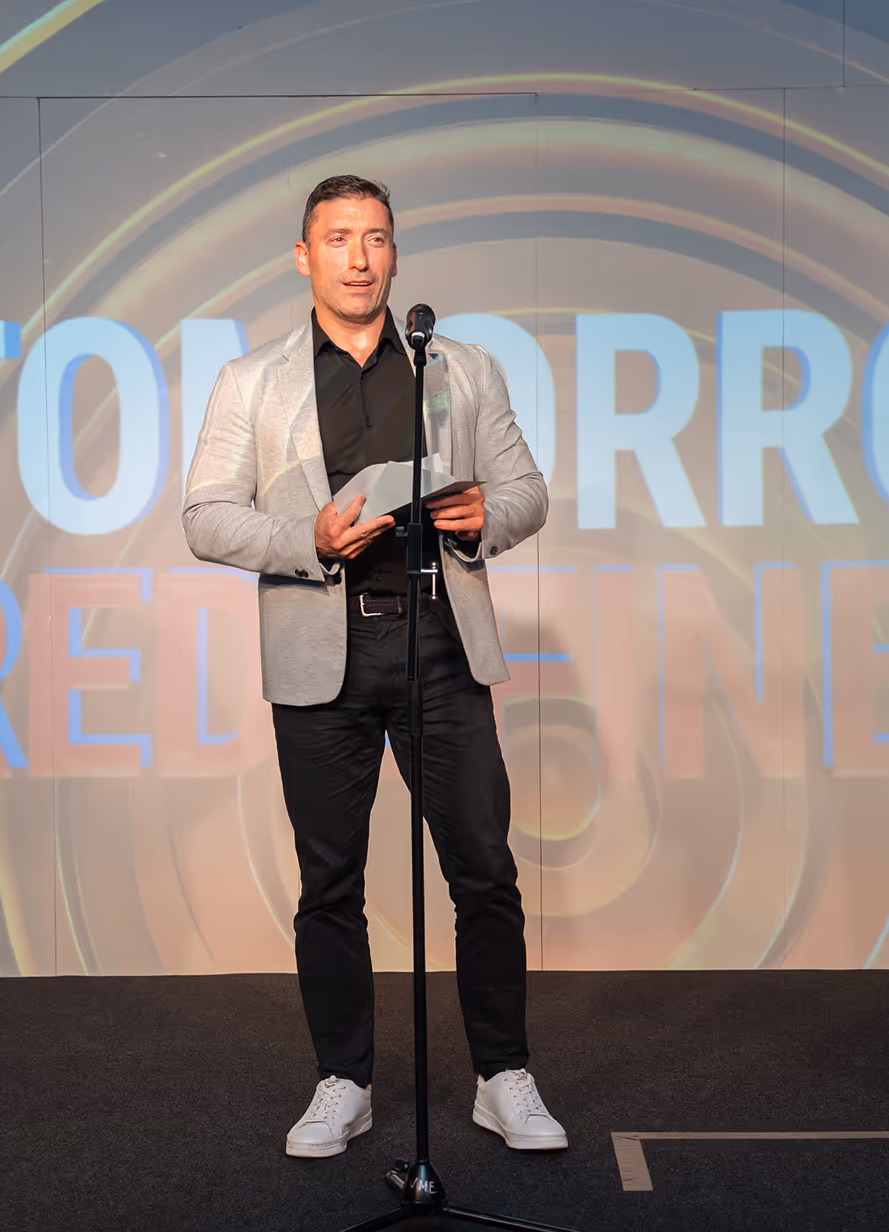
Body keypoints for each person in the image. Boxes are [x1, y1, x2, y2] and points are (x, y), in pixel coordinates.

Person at [182, 175, 563, 1155]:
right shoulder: (251, 383)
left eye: (377, 238)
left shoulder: (458, 366)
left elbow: (526, 488)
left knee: (482, 869)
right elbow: (204, 516)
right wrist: (303, 536)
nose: (359, 255)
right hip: (322, 655)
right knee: (329, 881)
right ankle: (341, 1080)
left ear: (395, 257)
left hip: (439, 641)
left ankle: (501, 1075)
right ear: (302, 257)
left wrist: (492, 517)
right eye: (338, 238)